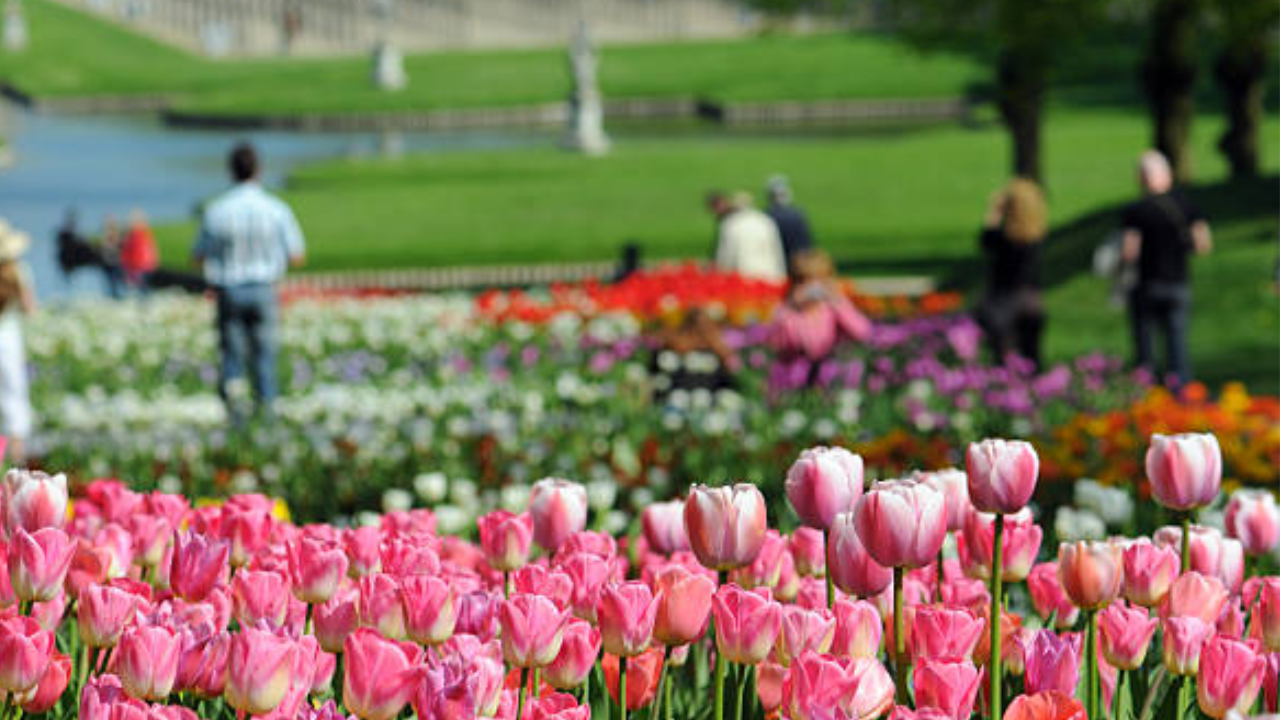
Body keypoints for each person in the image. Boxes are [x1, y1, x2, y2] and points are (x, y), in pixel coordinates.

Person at [193, 143, 306, 420]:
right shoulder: (276, 209)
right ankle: (267, 418)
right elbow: (297, 255)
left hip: (229, 289)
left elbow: (197, 256)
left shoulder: (217, 210)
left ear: (231, 171)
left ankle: (236, 420)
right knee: (265, 357)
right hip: (264, 288)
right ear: (259, 170)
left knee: (232, 358)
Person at [1121, 150, 1211, 386]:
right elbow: (1202, 245)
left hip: (1147, 284)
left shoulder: (1136, 210)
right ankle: (1181, 399)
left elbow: (1129, 252)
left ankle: (1147, 397)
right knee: (1178, 347)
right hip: (1178, 283)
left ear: (1141, 178)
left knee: (1145, 350)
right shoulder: (1186, 205)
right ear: (1167, 175)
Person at [768, 249, 872, 389]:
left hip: (828, 371)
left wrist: (837, 302)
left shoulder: (832, 307)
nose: (812, 288)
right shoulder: (787, 310)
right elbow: (780, 343)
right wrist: (793, 309)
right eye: (803, 282)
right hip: (793, 374)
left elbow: (862, 331)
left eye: (818, 281)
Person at [975, 178, 1048, 369]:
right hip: (1031, 302)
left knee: (1002, 360)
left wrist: (994, 211)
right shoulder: (1037, 237)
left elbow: (984, 239)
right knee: (1032, 358)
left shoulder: (1002, 239)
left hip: (1003, 303)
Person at [0, 219, 36, 465]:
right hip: (8, 339)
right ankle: (15, 457)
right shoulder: (18, 273)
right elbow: (30, 308)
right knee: (14, 396)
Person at [707, 190, 787, 282]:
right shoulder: (766, 220)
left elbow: (725, 257)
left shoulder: (730, 224)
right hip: (770, 274)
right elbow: (777, 250)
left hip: (743, 276)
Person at [764, 175, 815, 276]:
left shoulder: (768, 215)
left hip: (777, 260)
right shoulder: (798, 213)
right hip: (798, 260)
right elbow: (807, 241)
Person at [119, 209, 159, 291]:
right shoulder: (137, 234)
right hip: (139, 265)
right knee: (140, 286)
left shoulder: (138, 235)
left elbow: (149, 250)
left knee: (141, 286)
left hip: (139, 265)